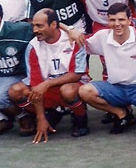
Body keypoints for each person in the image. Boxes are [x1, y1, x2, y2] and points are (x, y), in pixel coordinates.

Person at [79, 3, 136, 134]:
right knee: (84, 91)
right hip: (115, 87)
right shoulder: (102, 36)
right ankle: (121, 113)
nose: (117, 24)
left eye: (121, 19)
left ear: (129, 20)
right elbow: (80, 43)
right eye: (112, 20)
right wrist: (71, 31)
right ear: (108, 21)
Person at [8, 9, 88, 142]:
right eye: (33, 26)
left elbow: (76, 75)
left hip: (72, 86)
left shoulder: (73, 40)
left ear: (53, 25)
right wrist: (41, 118)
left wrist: (47, 83)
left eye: (39, 26)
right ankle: (51, 112)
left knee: (67, 91)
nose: (35, 30)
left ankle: (81, 119)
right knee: (15, 91)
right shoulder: (32, 46)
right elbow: (36, 86)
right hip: (47, 91)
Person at [0, 0, 33, 136]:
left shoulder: (19, 30)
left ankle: (24, 116)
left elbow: (44, 25)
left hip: (20, 76)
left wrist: (69, 31)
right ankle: (1, 118)